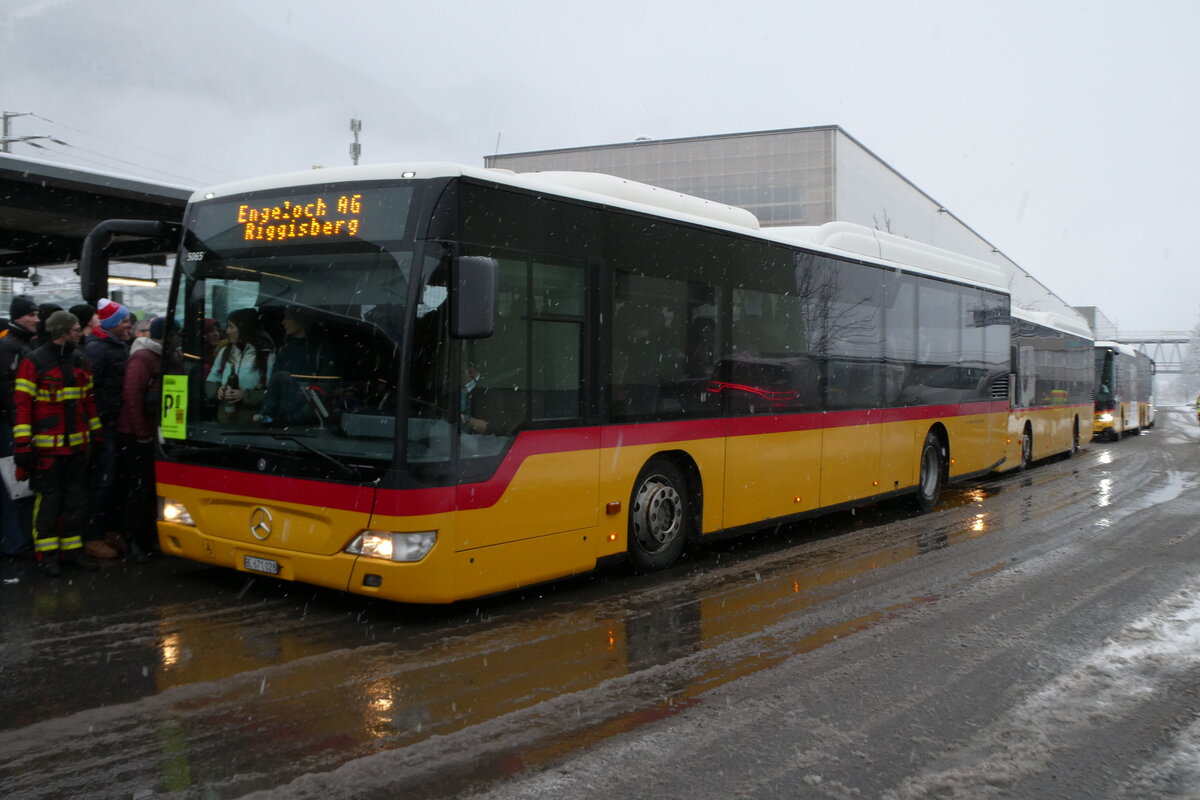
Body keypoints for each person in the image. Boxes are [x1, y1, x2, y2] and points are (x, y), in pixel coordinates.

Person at [13, 311, 102, 577]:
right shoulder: (34, 362)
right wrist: (23, 446)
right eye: (75, 329)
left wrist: (96, 436)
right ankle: (48, 556)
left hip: (77, 448)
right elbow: (22, 407)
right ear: (62, 332)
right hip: (47, 450)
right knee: (49, 502)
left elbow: (88, 401)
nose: (79, 333)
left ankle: (72, 552)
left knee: (75, 501)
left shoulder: (80, 360)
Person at [116, 317, 176, 562]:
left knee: (150, 488)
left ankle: (148, 536)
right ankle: (133, 540)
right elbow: (131, 396)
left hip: (155, 433)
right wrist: (142, 433)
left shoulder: (166, 357)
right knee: (138, 488)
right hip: (136, 435)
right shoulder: (143, 358)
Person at [81, 297, 132, 559]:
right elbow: (90, 391)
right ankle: (93, 535)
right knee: (103, 480)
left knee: (113, 480)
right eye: (124, 321)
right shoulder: (98, 350)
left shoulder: (115, 345)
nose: (128, 325)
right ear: (111, 323)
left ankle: (107, 530)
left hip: (114, 421)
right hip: (104, 425)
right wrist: (99, 421)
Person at [0, 296, 39, 557]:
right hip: (11, 427)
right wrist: (20, 426)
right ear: (17, 317)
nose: (36, 319)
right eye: (31, 315)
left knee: (19, 485)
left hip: (16, 425)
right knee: (15, 485)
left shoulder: (20, 344)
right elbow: (8, 393)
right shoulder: (10, 348)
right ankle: (16, 543)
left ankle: (19, 540)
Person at [256, 308, 337, 427]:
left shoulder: (322, 349)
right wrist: (267, 416)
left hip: (311, 426)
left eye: (288, 318)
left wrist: (293, 419)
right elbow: (274, 387)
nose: (283, 322)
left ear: (301, 320)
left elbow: (323, 390)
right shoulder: (284, 349)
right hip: (283, 422)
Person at [205, 308, 273, 423]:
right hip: (223, 423)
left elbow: (272, 393)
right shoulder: (225, 352)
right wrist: (218, 391)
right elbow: (210, 381)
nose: (227, 331)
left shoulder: (266, 356)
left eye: (231, 327)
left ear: (244, 329)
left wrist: (246, 395)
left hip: (251, 424)